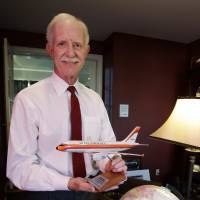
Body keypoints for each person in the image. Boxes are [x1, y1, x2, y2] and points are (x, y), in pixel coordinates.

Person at [6, 13, 127, 200]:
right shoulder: (28, 99)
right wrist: (68, 183)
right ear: (50, 49)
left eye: (77, 45)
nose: (70, 53)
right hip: (46, 193)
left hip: (90, 191)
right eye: (62, 43)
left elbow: (105, 150)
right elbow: (19, 168)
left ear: (86, 51)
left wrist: (112, 163)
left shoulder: (95, 99)